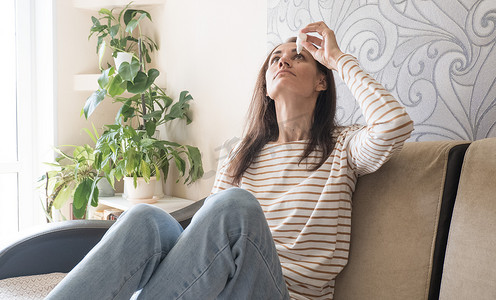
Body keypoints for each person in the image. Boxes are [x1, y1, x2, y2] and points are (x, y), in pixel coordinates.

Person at [47, 21, 413, 300]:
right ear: (267, 86)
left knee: (235, 206)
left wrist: (336, 58)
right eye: (275, 58)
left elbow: (394, 125)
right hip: (226, 288)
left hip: (282, 293)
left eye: (298, 56)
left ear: (321, 82)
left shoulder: (343, 146)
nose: (283, 59)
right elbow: (203, 245)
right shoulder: (242, 153)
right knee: (145, 218)